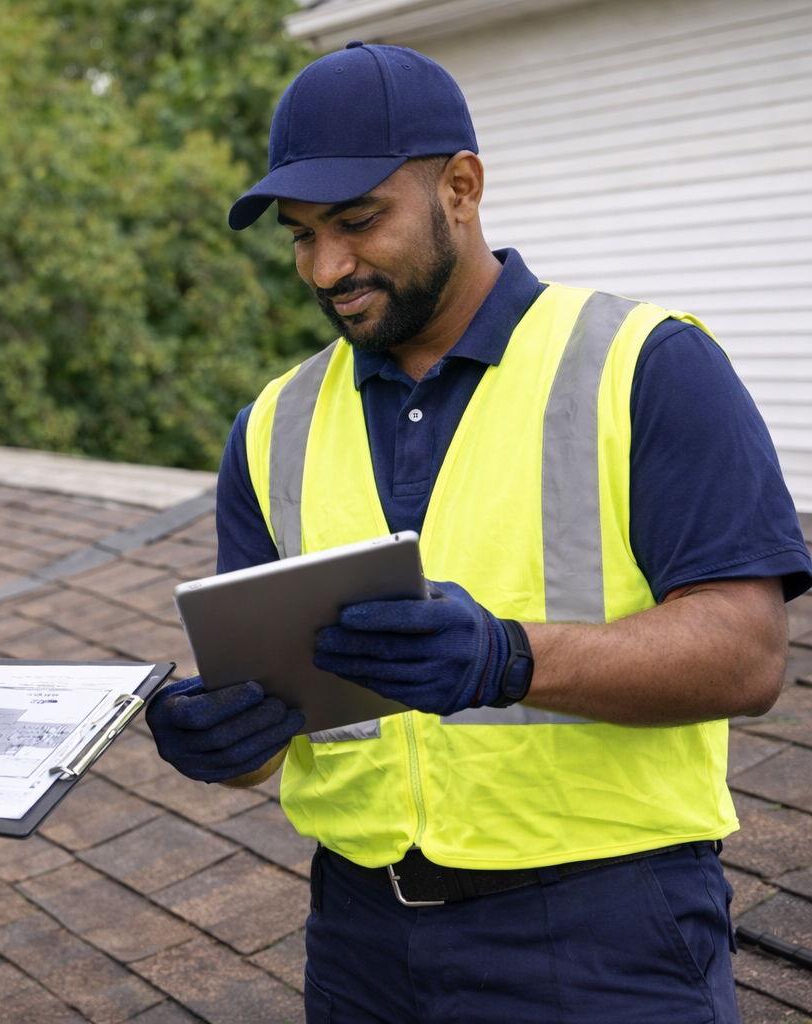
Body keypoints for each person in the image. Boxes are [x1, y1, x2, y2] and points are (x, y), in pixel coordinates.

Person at [145, 42, 811, 1023]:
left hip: (608, 935)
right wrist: (222, 739)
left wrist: (509, 658)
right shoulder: (273, 424)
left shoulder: (645, 363)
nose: (327, 268)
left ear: (461, 187)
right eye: (301, 236)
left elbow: (748, 656)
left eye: (358, 222)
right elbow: (270, 734)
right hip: (359, 939)